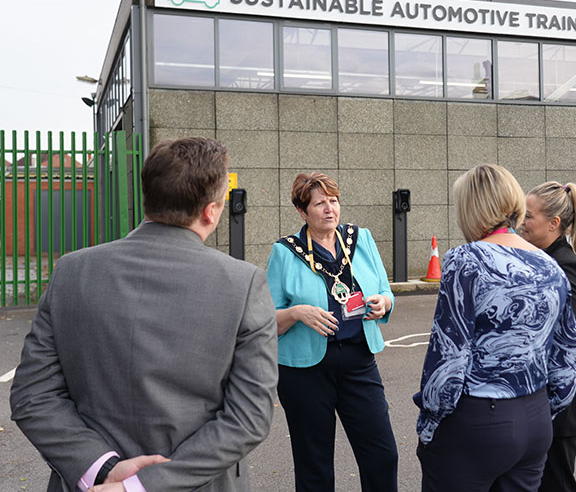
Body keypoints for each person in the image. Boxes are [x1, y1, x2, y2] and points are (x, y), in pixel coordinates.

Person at [10, 137, 279, 492]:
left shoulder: (71, 272)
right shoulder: (244, 283)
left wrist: (103, 469)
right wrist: (138, 485)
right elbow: (248, 418)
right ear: (211, 211)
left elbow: (33, 395)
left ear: (147, 198)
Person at [414, 164, 576, 492]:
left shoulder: (466, 261)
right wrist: (540, 409)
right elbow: (569, 359)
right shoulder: (551, 266)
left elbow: (448, 356)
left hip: (478, 420)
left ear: (471, 209)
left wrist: (430, 421)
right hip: (534, 420)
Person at [266, 172, 398, 492]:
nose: (330, 209)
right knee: (315, 466)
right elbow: (265, 320)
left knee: (382, 455)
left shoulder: (360, 239)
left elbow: (385, 291)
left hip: (358, 361)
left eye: (334, 201)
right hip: (305, 371)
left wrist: (383, 303)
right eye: (320, 203)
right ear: (302, 211)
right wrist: (297, 313)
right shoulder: (285, 252)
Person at [521, 182, 576, 492]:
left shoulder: (566, 266)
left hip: (562, 403)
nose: (520, 222)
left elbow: (568, 342)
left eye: (528, 216)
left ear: (553, 224)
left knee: (556, 484)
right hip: (546, 400)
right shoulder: (543, 258)